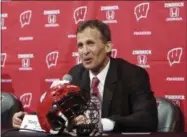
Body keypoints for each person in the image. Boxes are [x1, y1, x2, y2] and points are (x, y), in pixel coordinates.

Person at [12, 19, 158, 132]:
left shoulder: (133, 74)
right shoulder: (75, 74)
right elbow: (57, 113)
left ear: (107, 47)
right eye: (80, 45)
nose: (84, 51)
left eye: (90, 43)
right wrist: (28, 120)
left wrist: (103, 124)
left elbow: (147, 119)